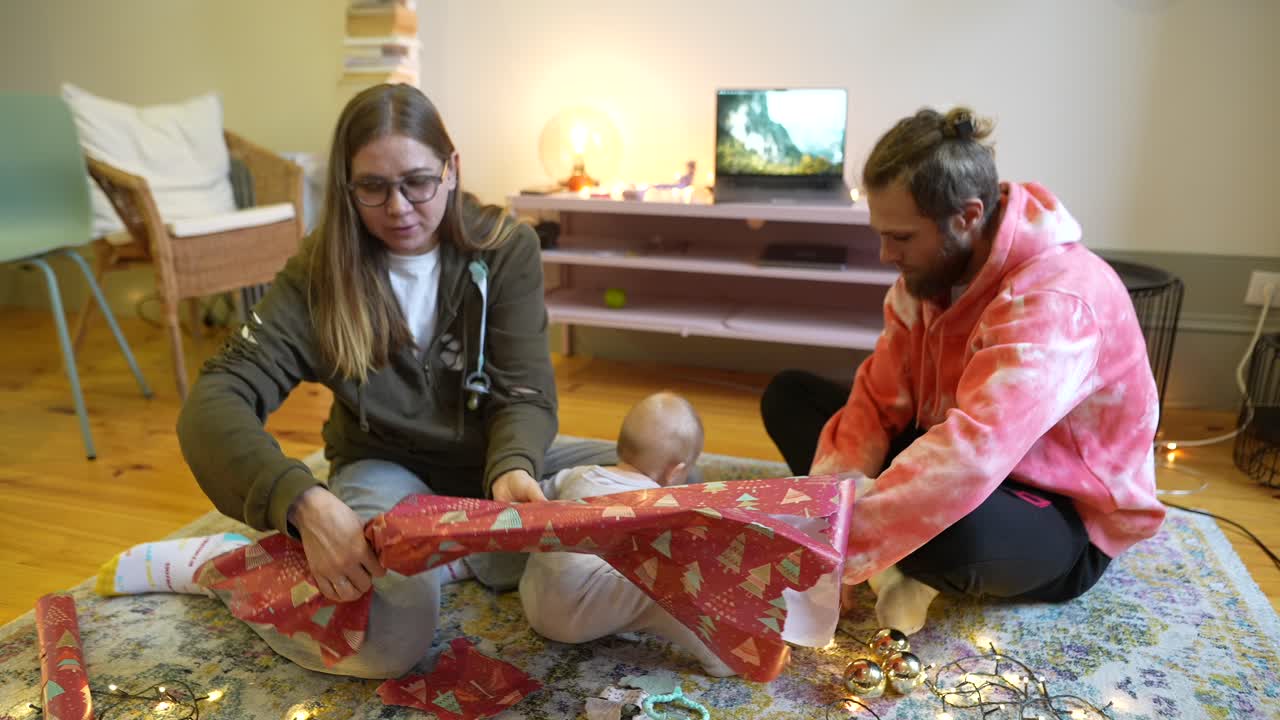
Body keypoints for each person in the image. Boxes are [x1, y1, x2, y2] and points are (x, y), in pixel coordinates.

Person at [175, 84, 614, 678]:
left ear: (452, 169)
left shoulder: (509, 247)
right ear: (347, 188)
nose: (400, 208)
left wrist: (513, 466)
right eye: (373, 188)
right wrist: (303, 501)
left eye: (418, 182)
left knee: (652, 492)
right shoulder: (319, 273)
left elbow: (526, 393)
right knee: (388, 646)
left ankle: (456, 556)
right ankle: (215, 568)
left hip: (487, 467)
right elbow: (213, 400)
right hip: (382, 466)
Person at [760, 107, 1165, 635]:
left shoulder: (1057, 299)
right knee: (790, 395)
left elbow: (976, 453)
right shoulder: (929, 278)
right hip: (954, 448)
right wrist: (832, 495)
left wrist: (831, 539)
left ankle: (906, 565)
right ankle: (897, 571)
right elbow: (878, 397)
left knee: (955, 534)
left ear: (968, 217)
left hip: (1056, 511)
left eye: (902, 238)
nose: (886, 255)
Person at [518, 392, 736, 677]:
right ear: (676, 471)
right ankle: (723, 656)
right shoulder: (662, 506)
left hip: (534, 601)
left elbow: (533, 503)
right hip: (575, 616)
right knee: (675, 588)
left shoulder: (578, 475)